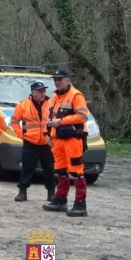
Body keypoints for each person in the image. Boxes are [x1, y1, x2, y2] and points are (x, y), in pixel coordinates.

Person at [42, 70, 90, 217]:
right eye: (55, 79)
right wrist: (47, 133)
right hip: (57, 140)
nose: (57, 81)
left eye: (60, 79)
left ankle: (80, 204)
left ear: (67, 80)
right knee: (61, 171)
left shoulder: (76, 95)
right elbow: (49, 117)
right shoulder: (55, 97)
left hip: (72, 140)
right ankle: (60, 199)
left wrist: (61, 122)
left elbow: (83, 116)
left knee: (76, 172)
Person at [11, 81, 55, 202]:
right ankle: (22, 192)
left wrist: (53, 136)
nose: (43, 93)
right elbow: (14, 122)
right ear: (33, 92)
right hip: (30, 142)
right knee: (27, 168)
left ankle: (51, 193)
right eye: (40, 91)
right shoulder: (23, 105)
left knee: (49, 169)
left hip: (47, 143)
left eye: (44, 90)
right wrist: (22, 135)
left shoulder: (51, 103)